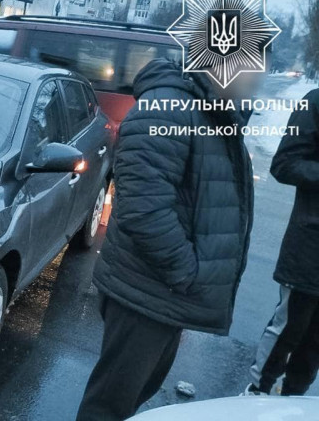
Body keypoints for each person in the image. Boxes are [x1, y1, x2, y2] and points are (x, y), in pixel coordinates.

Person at [76, 58, 259, 421]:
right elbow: (143, 208)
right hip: (149, 290)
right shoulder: (168, 108)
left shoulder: (207, 109)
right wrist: (185, 272)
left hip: (164, 293)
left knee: (133, 395)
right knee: (109, 405)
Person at [244, 88, 319, 397]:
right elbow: (284, 164)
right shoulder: (314, 102)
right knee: (289, 328)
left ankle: (293, 402)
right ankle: (256, 392)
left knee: (315, 342)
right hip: (310, 246)